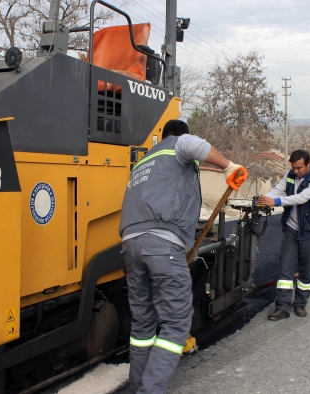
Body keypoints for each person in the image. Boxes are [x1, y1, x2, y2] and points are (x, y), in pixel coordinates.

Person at [119, 120, 245, 394]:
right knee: (176, 324)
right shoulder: (179, 145)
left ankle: (137, 386)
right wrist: (228, 166)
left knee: (142, 325)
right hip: (162, 240)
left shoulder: (144, 162)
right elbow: (192, 144)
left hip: (131, 243)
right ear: (178, 136)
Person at [257, 149, 310, 321]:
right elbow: (279, 190)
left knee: (306, 270)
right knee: (285, 270)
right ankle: (282, 307)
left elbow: (301, 198)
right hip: (291, 229)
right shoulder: (290, 175)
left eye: (299, 168)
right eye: (293, 168)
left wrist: (276, 202)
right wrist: (265, 199)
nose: (295, 172)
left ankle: (300, 304)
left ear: (308, 164)